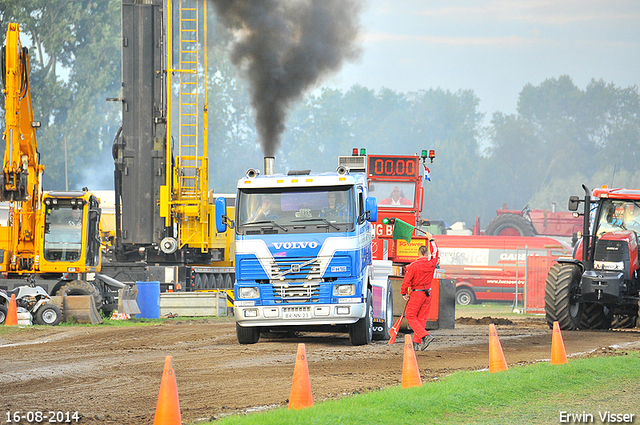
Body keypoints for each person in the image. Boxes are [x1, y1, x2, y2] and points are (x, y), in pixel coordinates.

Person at [400, 235, 439, 351]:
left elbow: (406, 281)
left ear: (418, 253)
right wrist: (431, 240)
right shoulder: (431, 262)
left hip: (416, 293)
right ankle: (416, 343)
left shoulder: (413, 266)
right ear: (427, 254)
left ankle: (425, 336)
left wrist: (403, 293)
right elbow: (436, 252)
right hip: (428, 293)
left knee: (410, 316)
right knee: (421, 318)